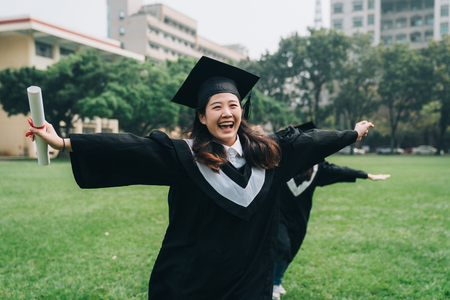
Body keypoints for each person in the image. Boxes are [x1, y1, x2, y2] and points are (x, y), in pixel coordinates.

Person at [27, 56, 373, 300]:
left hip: (247, 285)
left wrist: (351, 134)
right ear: (203, 116)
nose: (227, 112)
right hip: (195, 283)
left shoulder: (268, 156)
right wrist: (64, 142)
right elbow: (132, 149)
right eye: (217, 106)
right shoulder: (184, 157)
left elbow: (311, 142)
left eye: (233, 105)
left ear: (242, 111)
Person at [272, 123, 390, 300]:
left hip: (299, 218)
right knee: (283, 246)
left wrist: (366, 175)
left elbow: (340, 172)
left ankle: (277, 281)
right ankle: (272, 284)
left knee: (291, 249)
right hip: (277, 216)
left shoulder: (319, 169)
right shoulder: (280, 164)